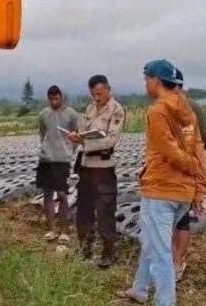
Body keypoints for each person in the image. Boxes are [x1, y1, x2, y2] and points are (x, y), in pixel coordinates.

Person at [117, 60, 206, 306]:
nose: (145, 84)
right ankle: (139, 288)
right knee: (151, 242)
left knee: (161, 253)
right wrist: (199, 187)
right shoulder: (188, 110)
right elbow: (199, 148)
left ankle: (165, 302)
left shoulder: (158, 111)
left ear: (156, 81)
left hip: (161, 190)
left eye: (147, 79)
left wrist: (192, 168)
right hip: (182, 193)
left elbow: (170, 153)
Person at [68, 75, 125, 269]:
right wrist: (76, 137)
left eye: (100, 93)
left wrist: (85, 141)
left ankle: (108, 252)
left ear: (109, 89)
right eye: (93, 94)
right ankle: (85, 249)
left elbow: (110, 140)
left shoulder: (116, 110)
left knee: (105, 211)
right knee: (83, 211)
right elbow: (83, 131)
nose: (97, 97)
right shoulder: (89, 109)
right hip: (86, 167)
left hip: (104, 167)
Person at [171, 69, 206, 282]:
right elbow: (204, 139)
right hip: (183, 171)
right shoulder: (192, 107)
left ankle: (175, 263)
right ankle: (176, 263)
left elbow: (201, 140)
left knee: (178, 219)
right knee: (181, 218)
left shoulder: (187, 108)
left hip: (180, 172)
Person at [36, 85, 79, 244]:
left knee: (62, 195)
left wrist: (68, 151)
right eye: (51, 98)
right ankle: (51, 229)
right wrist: (47, 149)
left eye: (56, 98)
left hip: (62, 161)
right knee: (47, 195)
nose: (54, 101)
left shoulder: (71, 114)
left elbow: (76, 137)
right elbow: (43, 135)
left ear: (62, 97)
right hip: (46, 160)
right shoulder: (43, 115)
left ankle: (64, 231)